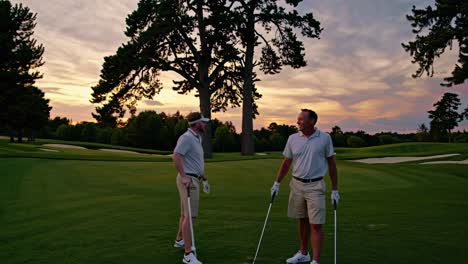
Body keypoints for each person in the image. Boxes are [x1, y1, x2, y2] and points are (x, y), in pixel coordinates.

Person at [270, 109, 340, 264]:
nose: (298, 122)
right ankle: (303, 252)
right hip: (296, 185)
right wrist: (277, 183)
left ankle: (315, 260)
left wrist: (335, 189)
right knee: (302, 220)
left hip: (315, 185)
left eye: (301, 119)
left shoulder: (324, 138)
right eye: (298, 119)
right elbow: (286, 162)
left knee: (316, 224)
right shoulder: (293, 138)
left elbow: (332, 164)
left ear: (312, 121)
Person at [172, 112, 211, 264]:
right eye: (203, 122)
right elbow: (176, 155)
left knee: (184, 214)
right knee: (190, 217)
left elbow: (194, 161)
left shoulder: (197, 138)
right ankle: (188, 255)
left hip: (194, 178)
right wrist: (183, 176)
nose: (205, 124)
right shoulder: (186, 138)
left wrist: (203, 177)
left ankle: (180, 240)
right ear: (196, 124)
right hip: (188, 180)